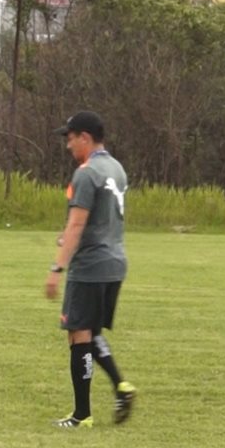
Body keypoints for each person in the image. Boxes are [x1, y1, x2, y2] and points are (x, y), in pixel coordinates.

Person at [44, 111, 136, 429]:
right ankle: (121, 386)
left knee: (78, 333)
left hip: (90, 265)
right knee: (91, 331)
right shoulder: (116, 168)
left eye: (70, 138)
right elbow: (101, 219)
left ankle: (82, 414)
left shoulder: (86, 173)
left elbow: (78, 222)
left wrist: (57, 267)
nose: (68, 145)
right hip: (115, 261)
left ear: (85, 137)